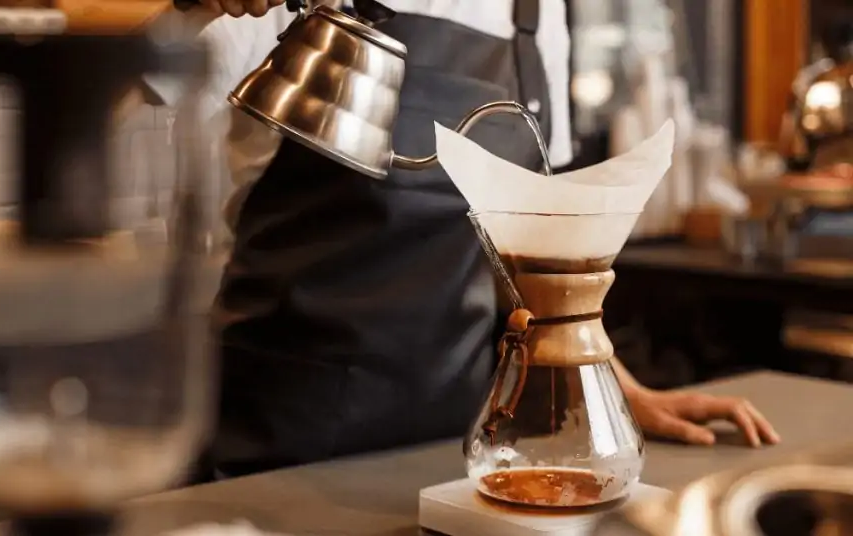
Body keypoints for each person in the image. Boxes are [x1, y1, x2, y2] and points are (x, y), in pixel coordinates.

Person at [137, 0, 782, 480]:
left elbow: (526, 254)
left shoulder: (535, 15)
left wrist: (620, 391)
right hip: (276, 448)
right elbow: (96, 79)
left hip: (456, 453)